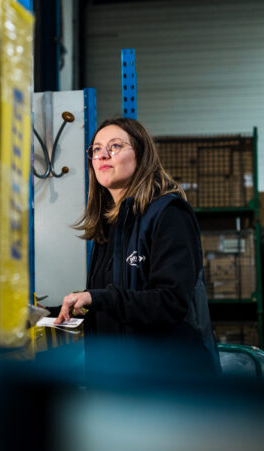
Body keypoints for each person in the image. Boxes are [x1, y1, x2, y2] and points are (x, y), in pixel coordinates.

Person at [54, 117, 220, 374]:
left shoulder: (169, 214)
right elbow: (117, 299)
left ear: (141, 156)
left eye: (115, 146)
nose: (103, 155)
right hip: (121, 377)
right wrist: (61, 310)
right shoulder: (111, 221)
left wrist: (97, 298)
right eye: (96, 149)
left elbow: (170, 301)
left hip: (167, 380)